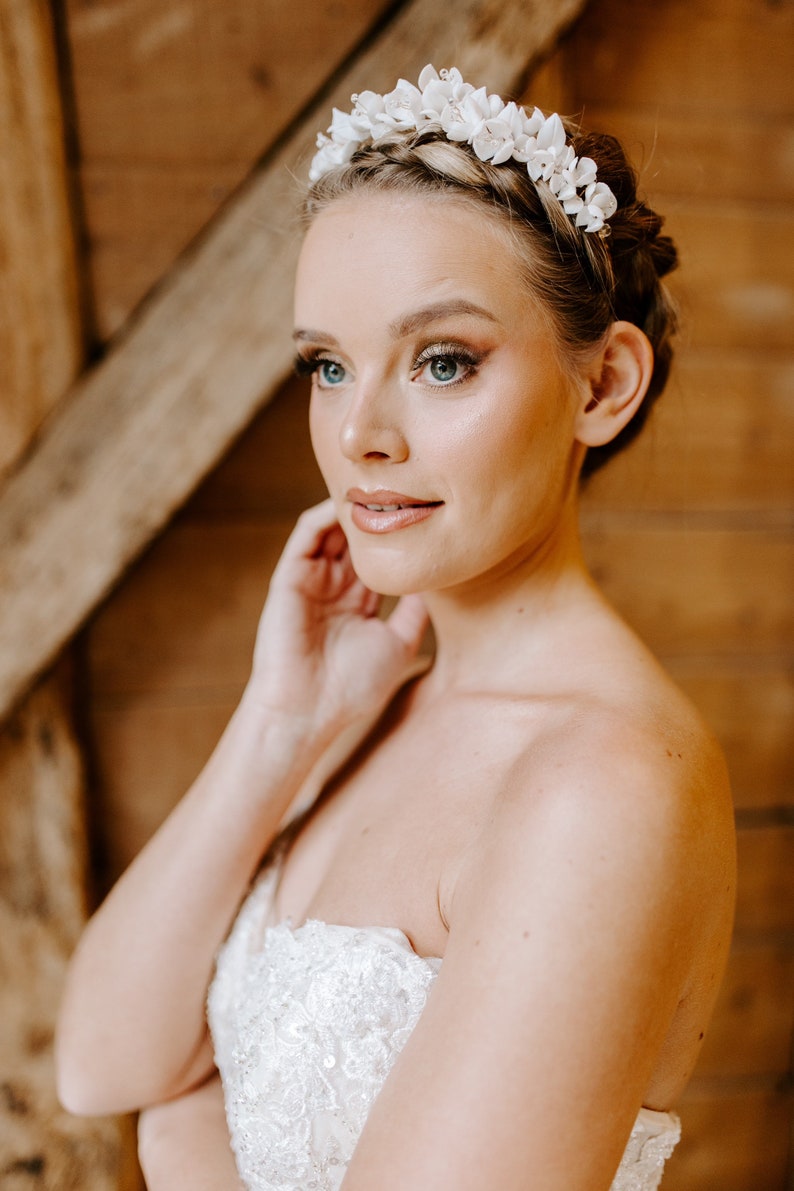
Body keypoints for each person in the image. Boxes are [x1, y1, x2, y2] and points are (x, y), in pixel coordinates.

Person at [56, 66, 736, 1191]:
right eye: (326, 365)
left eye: (440, 361)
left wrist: (182, 1148)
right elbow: (98, 1063)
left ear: (602, 384)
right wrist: (281, 720)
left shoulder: (605, 787)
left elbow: (153, 1112)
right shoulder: (376, 699)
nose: (359, 433)